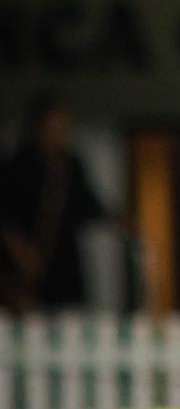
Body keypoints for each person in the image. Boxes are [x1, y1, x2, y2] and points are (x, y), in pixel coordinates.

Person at [0, 94, 112, 311]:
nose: (61, 134)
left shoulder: (70, 166)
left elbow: (87, 204)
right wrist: (19, 251)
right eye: (54, 127)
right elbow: (5, 215)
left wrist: (115, 218)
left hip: (63, 264)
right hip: (26, 264)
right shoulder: (17, 165)